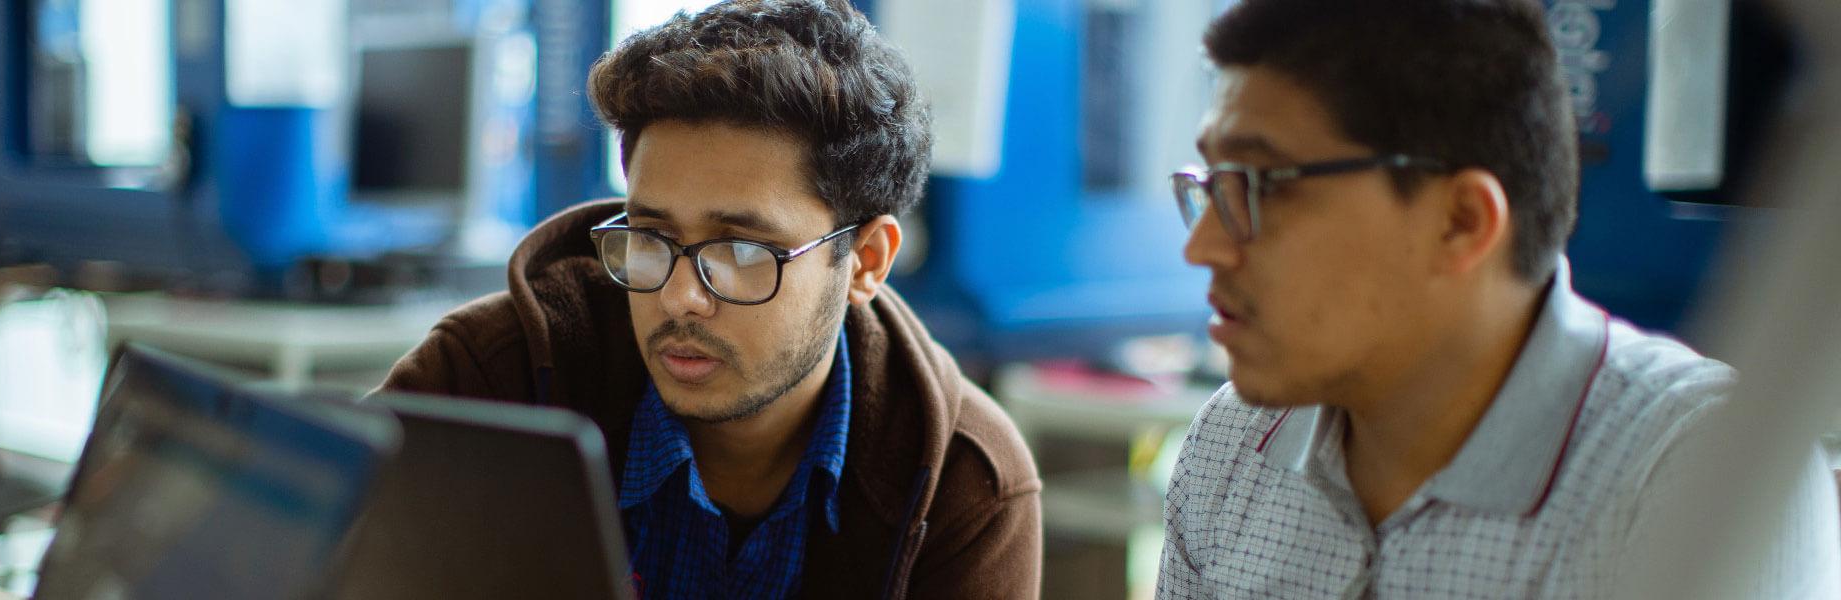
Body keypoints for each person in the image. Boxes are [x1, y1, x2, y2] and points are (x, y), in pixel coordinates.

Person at [1155, 0, 1840, 597]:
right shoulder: (1232, 444)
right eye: (1213, 186)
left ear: (1462, 222)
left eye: (1265, 185)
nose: (1204, 247)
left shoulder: (1696, 470)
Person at [378, 1, 1040, 598]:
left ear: (865, 262)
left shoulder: (962, 483)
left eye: (744, 251)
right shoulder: (489, 383)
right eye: (652, 236)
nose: (679, 297)